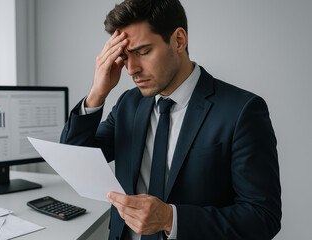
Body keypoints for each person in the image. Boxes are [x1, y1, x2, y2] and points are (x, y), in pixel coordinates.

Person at [60, 0, 281, 239]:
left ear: (178, 40)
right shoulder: (128, 104)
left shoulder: (242, 111)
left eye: (143, 52)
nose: (131, 68)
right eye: (124, 56)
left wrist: (170, 218)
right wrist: (97, 93)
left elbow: (262, 217)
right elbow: (75, 162)